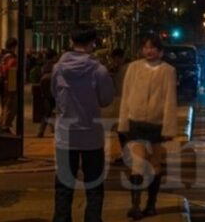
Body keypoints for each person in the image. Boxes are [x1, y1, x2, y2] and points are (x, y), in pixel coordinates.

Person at [51, 28, 115, 222]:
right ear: (92, 44)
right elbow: (105, 99)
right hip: (91, 135)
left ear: (71, 41)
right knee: (94, 186)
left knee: (63, 186)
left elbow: (54, 94)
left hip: (65, 135)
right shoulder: (99, 70)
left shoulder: (58, 69)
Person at [118, 36, 178, 220]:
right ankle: (135, 205)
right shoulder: (133, 68)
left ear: (160, 51)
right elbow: (126, 95)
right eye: (145, 47)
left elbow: (170, 100)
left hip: (157, 124)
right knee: (137, 163)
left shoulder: (168, 70)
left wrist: (168, 128)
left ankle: (151, 204)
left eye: (153, 48)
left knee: (154, 164)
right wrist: (123, 122)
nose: (149, 51)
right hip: (136, 122)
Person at [107, 49, 128, 165]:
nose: (115, 61)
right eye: (114, 59)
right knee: (120, 131)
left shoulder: (128, 69)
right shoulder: (112, 70)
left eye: (117, 59)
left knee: (124, 131)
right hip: (117, 102)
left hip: (126, 102)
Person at [37, 49, 59, 138]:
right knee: (55, 110)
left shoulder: (44, 65)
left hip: (45, 91)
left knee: (47, 111)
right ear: (54, 56)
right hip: (54, 90)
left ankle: (42, 131)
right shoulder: (56, 66)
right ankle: (54, 129)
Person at [0, 38, 19, 132]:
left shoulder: (2, 55)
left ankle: (3, 124)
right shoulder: (11, 57)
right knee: (10, 105)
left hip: (3, 83)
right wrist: (13, 86)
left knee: (5, 105)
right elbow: (11, 71)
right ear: (13, 46)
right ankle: (5, 126)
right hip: (9, 84)